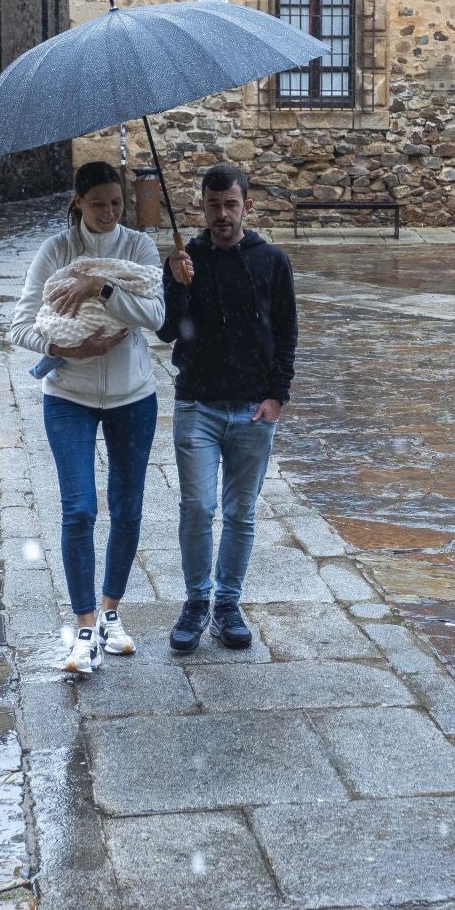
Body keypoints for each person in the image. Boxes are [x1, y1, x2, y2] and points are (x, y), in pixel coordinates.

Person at [10, 161, 165, 675]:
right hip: (69, 396)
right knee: (78, 509)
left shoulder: (138, 249)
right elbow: (20, 325)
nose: (109, 213)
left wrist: (100, 289)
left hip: (132, 396)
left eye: (116, 203)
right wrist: (64, 348)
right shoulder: (55, 252)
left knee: (127, 506)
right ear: (78, 201)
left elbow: (156, 318)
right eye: (97, 203)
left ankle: (110, 612)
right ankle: (81, 627)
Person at [158, 164, 298, 652]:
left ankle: (227, 604)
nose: (222, 214)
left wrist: (277, 396)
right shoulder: (184, 258)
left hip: (253, 410)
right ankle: (196, 601)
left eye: (231, 204)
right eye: (213, 204)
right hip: (197, 405)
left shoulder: (271, 261)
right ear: (202, 205)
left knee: (241, 512)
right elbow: (167, 331)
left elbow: (286, 333)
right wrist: (178, 283)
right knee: (197, 506)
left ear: (247, 206)